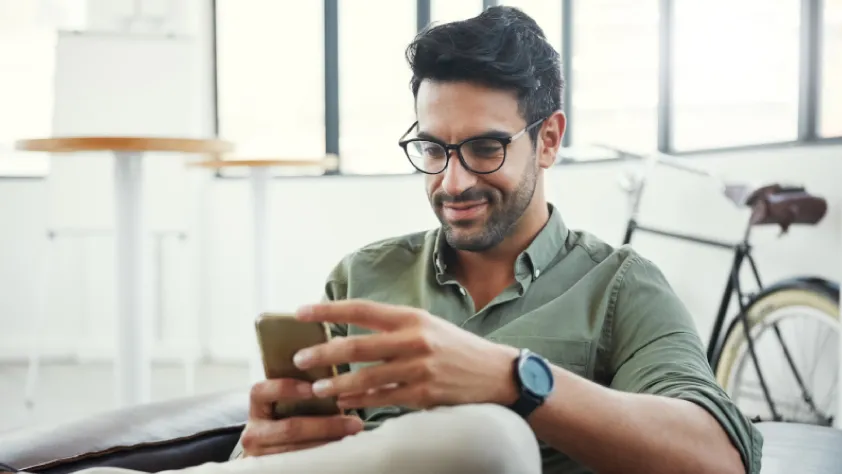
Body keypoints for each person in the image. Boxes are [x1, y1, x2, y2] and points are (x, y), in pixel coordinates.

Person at [74, 6, 761, 474]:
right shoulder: (364, 277)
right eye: (432, 149)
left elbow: (719, 457)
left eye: (485, 148)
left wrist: (512, 381)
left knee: (490, 437)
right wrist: (267, 448)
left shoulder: (618, 288)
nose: (452, 181)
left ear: (548, 139)